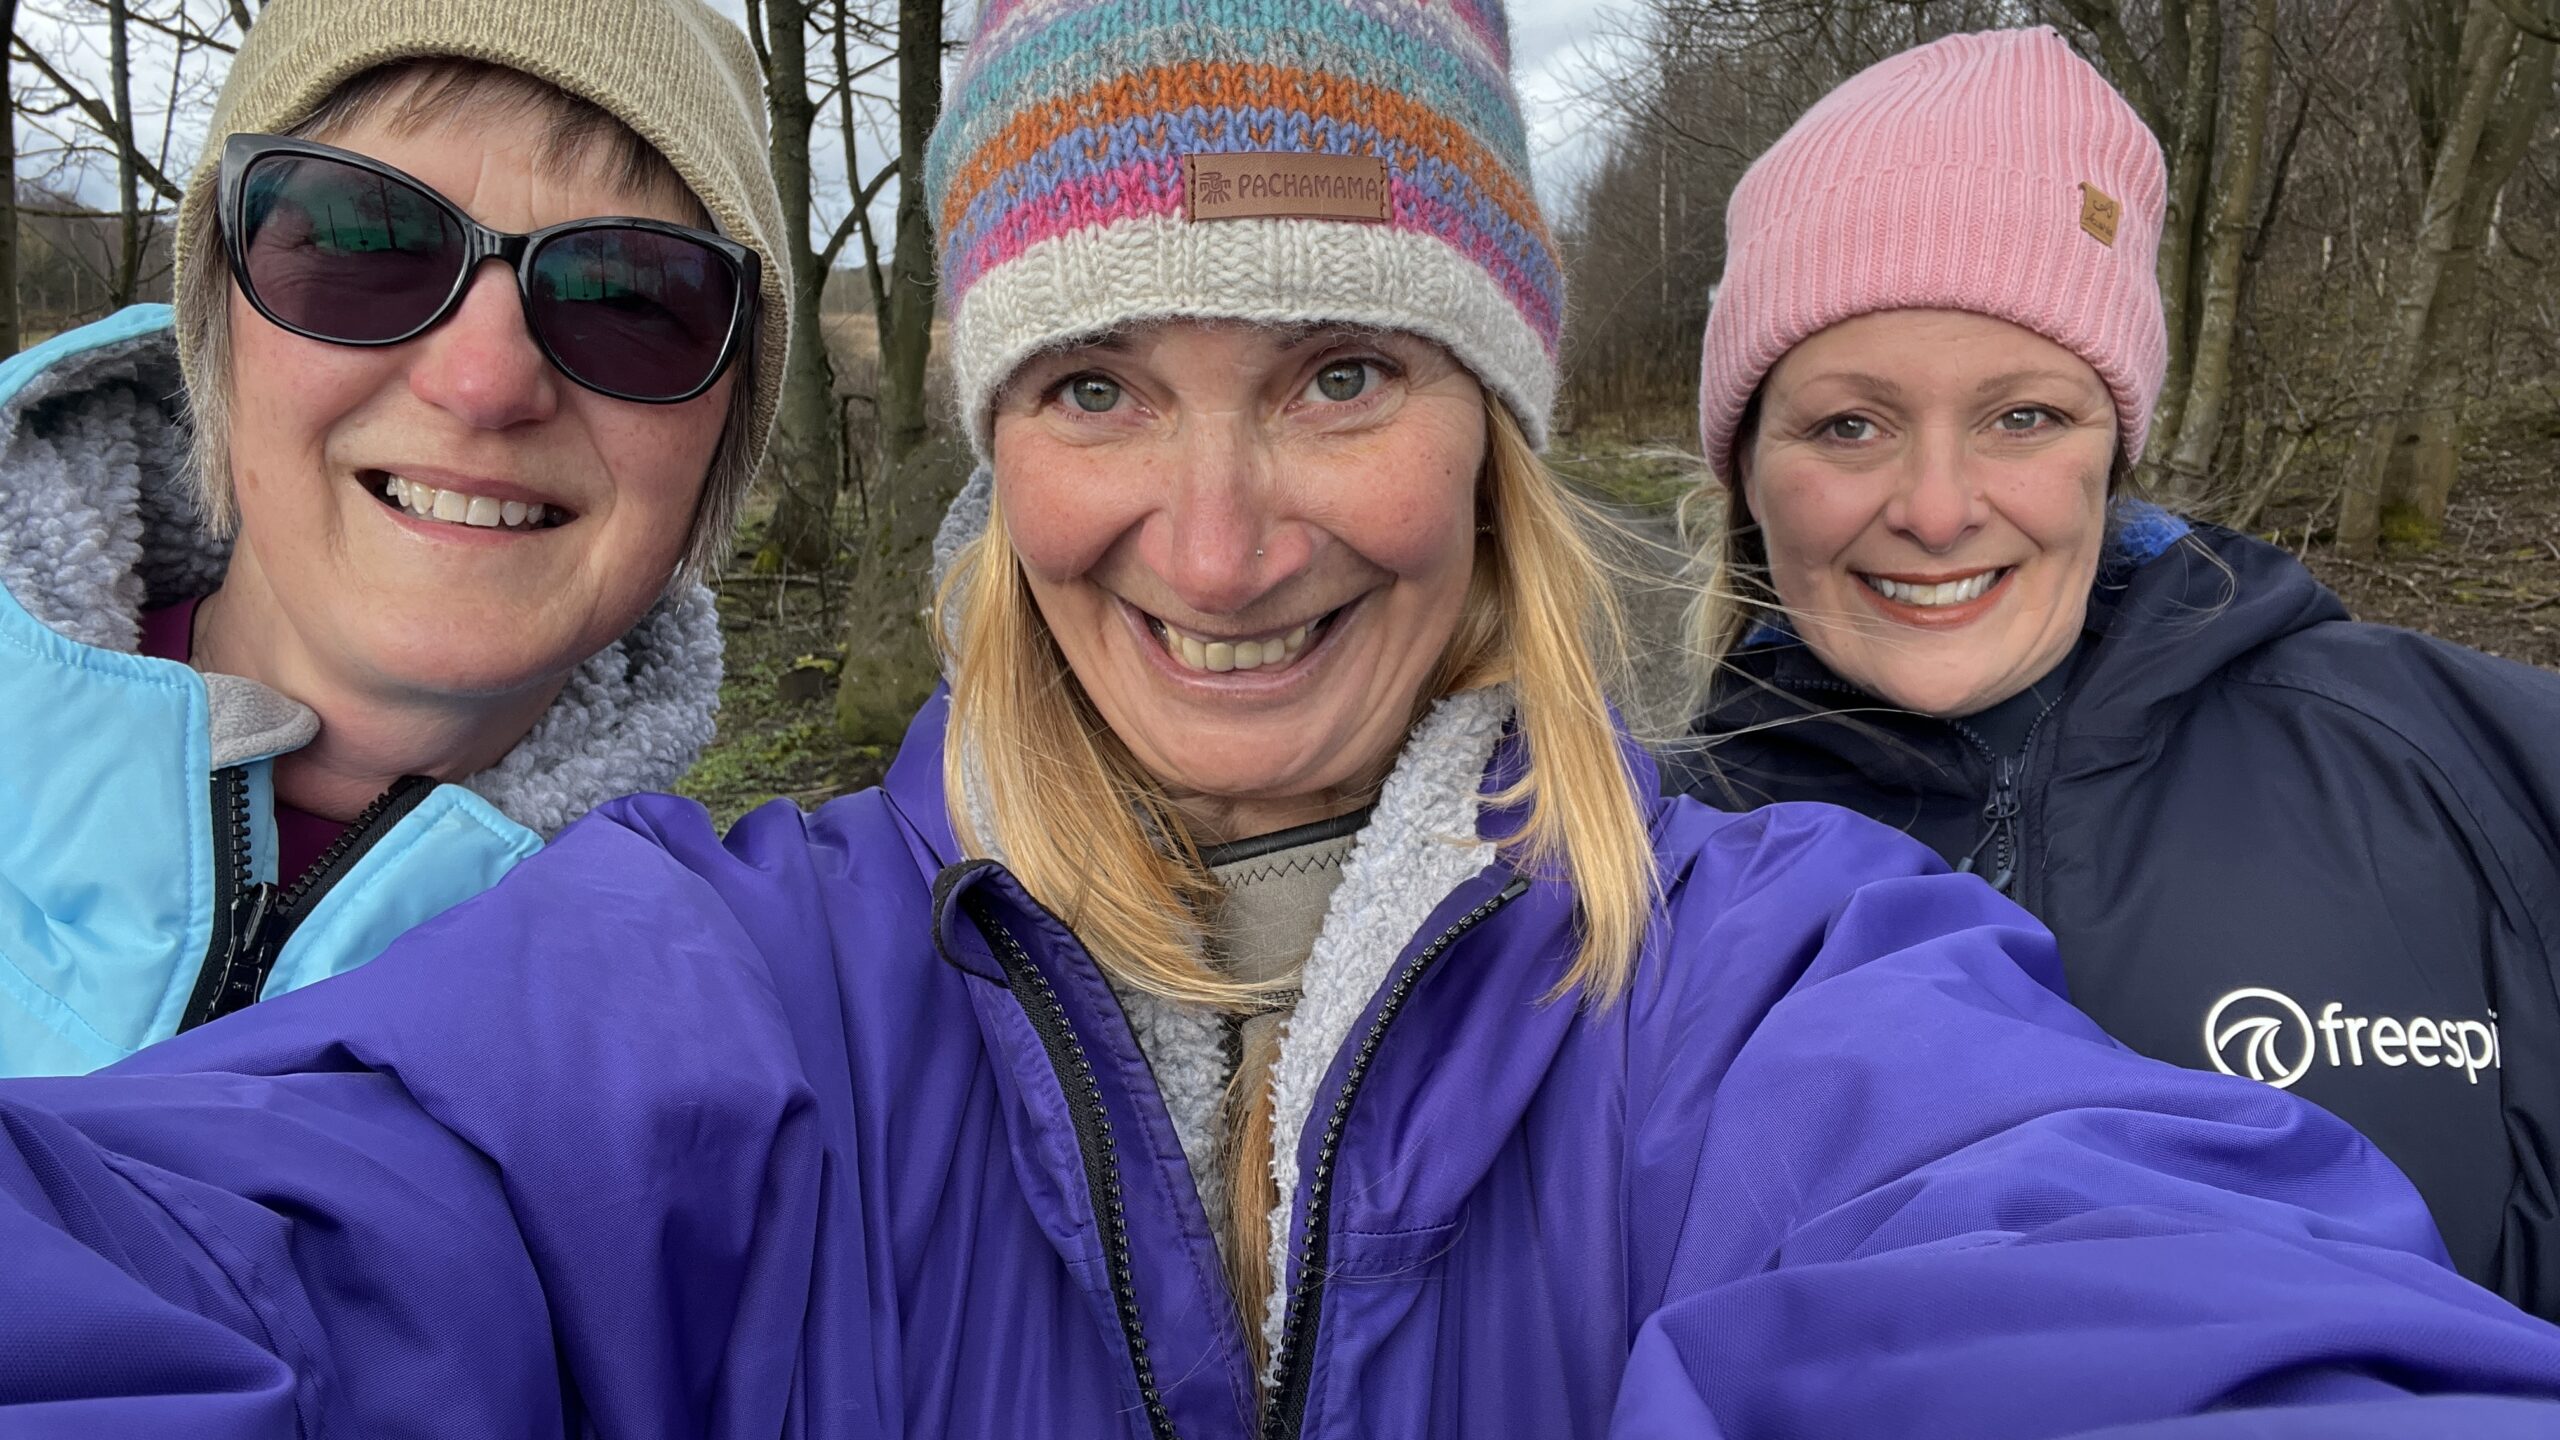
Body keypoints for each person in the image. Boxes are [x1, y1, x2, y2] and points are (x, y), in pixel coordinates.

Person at [8, 4, 2560, 1435]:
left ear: (1496, 443)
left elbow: (2109, 1286)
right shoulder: (695, 970)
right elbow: (223, 1249)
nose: (1217, 548)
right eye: (1097, 384)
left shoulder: (1782, 963)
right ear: (991, 454)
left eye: (1340, 370)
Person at [1665, 26, 2560, 1319]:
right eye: (1849, 424)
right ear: (1745, 466)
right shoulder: (1627, 880)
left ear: (2113, 451)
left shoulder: (2474, 772)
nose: (1935, 509)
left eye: (2023, 416)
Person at [0, 0, 784, 1075]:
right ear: (216, 326)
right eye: (363, 242)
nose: (485, 383)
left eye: (629, 297)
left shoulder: (714, 1055)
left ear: (717, 444)